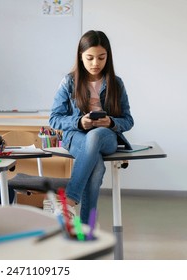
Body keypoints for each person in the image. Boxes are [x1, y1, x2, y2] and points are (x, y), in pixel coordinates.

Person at [49, 30, 134, 224]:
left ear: (108, 57)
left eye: (101, 58)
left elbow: (128, 120)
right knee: (96, 167)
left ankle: (69, 200)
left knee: (95, 137)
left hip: (105, 136)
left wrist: (111, 122)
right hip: (76, 136)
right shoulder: (69, 82)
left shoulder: (116, 83)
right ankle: (87, 230)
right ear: (80, 56)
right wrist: (78, 122)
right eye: (90, 58)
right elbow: (54, 118)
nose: (95, 63)